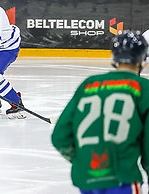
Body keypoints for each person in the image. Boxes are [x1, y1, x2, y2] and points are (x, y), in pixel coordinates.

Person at [51, 30, 149, 193]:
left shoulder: (89, 84)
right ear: (143, 59)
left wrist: (84, 162)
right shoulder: (144, 89)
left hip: (86, 179)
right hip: (121, 177)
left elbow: (60, 136)